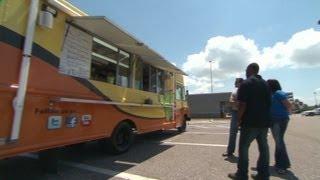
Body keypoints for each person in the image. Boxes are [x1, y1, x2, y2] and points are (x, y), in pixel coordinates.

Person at [228, 63, 272, 180]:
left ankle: (242, 174)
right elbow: (269, 104)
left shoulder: (246, 83)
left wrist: (238, 120)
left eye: (247, 69)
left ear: (251, 70)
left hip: (249, 122)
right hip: (264, 123)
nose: (245, 72)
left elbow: (242, 105)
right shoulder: (266, 84)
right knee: (264, 148)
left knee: (243, 148)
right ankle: (263, 174)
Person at [267, 79, 291, 174]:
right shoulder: (272, 94)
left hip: (279, 120)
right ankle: (281, 163)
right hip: (275, 121)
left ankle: (282, 166)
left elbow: (289, 105)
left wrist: (284, 114)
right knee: (279, 141)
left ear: (272, 85)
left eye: (267, 84)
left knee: (279, 142)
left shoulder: (278, 93)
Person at [223, 78, 244, 157]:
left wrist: (237, 103)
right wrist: (239, 103)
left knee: (245, 134)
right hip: (235, 113)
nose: (235, 84)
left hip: (245, 113)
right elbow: (231, 102)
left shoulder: (246, 91)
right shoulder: (234, 91)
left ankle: (243, 153)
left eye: (236, 82)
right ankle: (230, 151)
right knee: (232, 133)